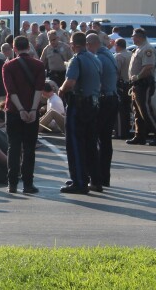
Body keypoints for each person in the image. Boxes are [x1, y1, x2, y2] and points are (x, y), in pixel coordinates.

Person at [58, 31, 102, 194]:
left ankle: (79, 181)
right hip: (93, 104)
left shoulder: (76, 60)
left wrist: (61, 91)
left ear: (74, 45)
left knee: (75, 144)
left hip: (79, 105)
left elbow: (70, 82)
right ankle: (95, 180)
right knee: (90, 144)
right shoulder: (94, 58)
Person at [1, 35, 45, 194]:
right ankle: (28, 184)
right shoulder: (39, 65)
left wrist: (20, 109)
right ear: (29, 47)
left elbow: (10, 90)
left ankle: (12, 183)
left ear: (14, 48)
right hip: (32, 110)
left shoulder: (8, 66)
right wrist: (32, 109)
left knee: (13, 147)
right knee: (29, 149)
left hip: (13, 110)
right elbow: (39, 89)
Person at [87, 33, 119, 190]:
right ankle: (104, 177)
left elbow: (95, 83)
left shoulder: (98, 58)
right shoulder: (109, 55)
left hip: (104, 100)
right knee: (105, 141)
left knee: (94, 140)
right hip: (112, 98)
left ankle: (96, 178)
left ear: (90, 44)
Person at [126, 28, 156, 146]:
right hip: (136, 84)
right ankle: (139, 136)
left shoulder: (147, 49)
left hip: (144, 83)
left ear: (140, 37)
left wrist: (137, 77)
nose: (132, 38)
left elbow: (148, 67)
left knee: (145, 111)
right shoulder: (138, 49)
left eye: (134, 36)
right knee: (137, 111)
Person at [113, 38, 132, 139]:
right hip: (130, 84)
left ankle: (120, 132)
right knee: (127, 110)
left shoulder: (119, 56)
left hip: (121, 85)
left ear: (117, 45)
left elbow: (116, 72)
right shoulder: (130, 54)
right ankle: (127, 131)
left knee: (120, 110)